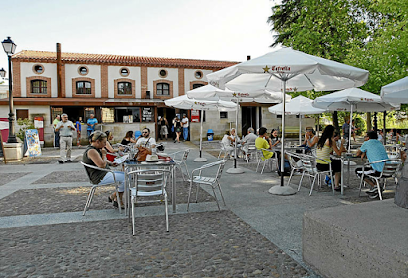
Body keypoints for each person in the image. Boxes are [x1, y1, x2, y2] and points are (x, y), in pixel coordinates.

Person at [83, 130, 125, 209]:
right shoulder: (91, 151)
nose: (105, 145)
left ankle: (115, 197)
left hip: (104, 173)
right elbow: (101, 165)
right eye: (104, 142)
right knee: (126, 177)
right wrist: (104, 154)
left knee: (126, 176)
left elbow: (100, 161)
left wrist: (110, 163)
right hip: (100, 177)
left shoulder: (95, 149)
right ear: (98, 141)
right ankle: (116, 197)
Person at [355, 130, 389, 198]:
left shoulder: (367, 143)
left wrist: (363, 151)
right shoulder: (379, 143)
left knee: (358, 171)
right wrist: (364, 152)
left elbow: (357, 154)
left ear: (368, 137)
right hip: (387, 170)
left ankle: (375, 186)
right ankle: (376, 187)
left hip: (378, 171)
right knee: (371, 168)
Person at [315, 125, 342, 191]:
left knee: (335, 163)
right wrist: (342, 144)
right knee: (338, 164)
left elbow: (329, 152)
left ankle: (332, 179)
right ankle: (336, 185)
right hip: (325, 165)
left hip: (318, 164)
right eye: (334, 132)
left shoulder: (321, 140)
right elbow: (339, 153)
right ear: (331, 132)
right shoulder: (330, 141)